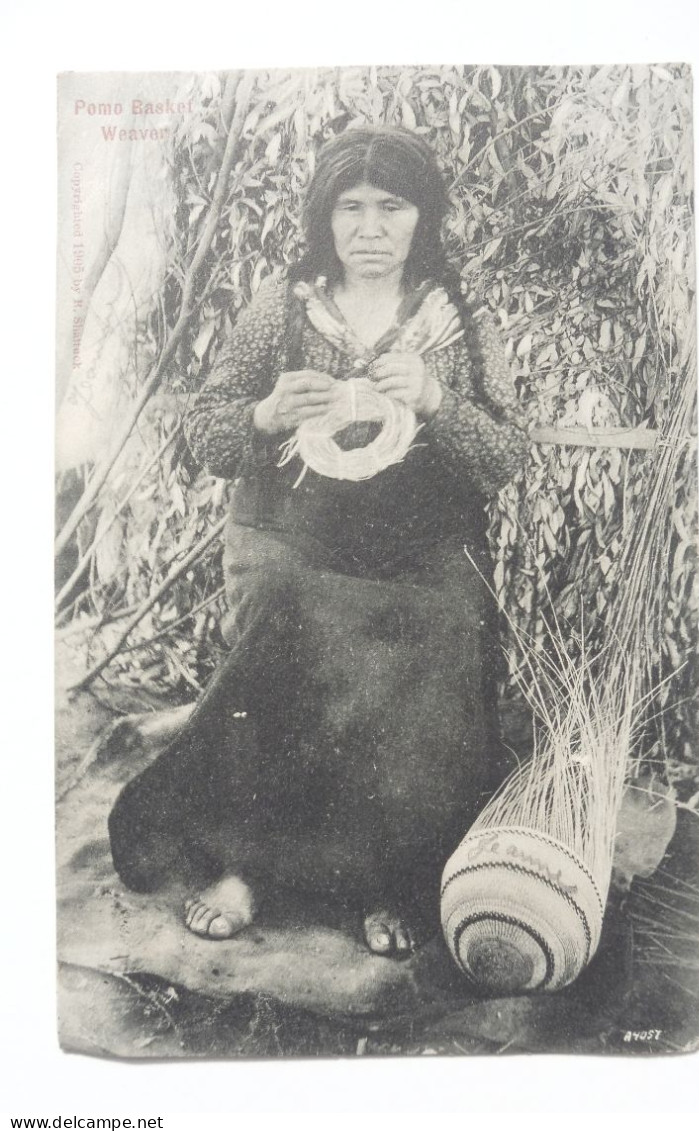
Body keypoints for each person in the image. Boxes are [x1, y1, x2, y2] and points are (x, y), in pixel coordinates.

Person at [108, 126, 530, 957]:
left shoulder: (454, 315)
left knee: (445, 623)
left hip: (419, 544)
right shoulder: (286, 306)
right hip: (291, 532)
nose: (370, 227)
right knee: (282, 607)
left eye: (391, 206)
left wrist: (441, 400)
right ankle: (242, 866)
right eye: (350, 208)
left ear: (423, 216)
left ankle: (383, 878)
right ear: (323, 218)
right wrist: (266, 413)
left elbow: (505, 457)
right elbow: (206, 431)